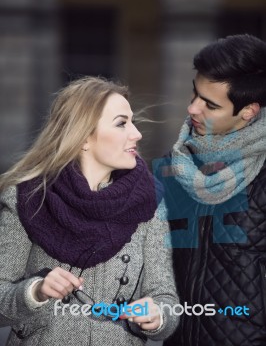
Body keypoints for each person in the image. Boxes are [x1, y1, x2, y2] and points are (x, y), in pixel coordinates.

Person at [0, 77, 179, 345]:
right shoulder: (28, 198)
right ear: (83, 137)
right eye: (122, 123)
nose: (136, 133)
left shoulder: (149, 202)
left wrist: (157, 317)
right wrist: (36, 290)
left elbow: (165, 299)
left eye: (133, 122)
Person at [158, 34, 266, 346]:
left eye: (210, 104)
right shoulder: (171, 167)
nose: (192, 108)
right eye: (195, 94)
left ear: (248, 111)